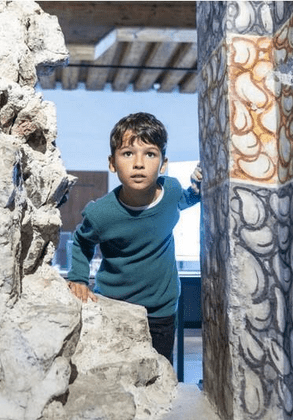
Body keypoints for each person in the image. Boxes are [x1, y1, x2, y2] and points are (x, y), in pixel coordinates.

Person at [67, 112, 202, 364]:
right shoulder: (100, 214)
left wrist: (198, 188)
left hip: (161, 311)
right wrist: (78, 278)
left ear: (163, 164)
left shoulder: (171, 191)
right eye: (128, 153)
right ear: (112, 163)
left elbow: (185, 200)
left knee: (158, 374)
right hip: (113, 308)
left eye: (149, 154)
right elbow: (82, 242)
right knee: (114, 372)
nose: (138, 163)